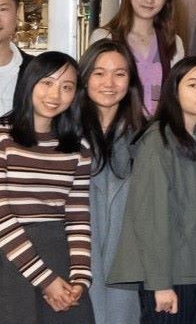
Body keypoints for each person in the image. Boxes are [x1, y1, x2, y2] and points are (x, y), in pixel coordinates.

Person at [0, 52, 94, 323]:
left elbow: (78, 216)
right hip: (10, 259)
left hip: (62, 258)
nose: (55, 94)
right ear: (29, 83)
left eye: (67, 87)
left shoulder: (78, 148)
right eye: (47, 83)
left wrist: (81, 277)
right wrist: (45, 279)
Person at [111, 57, 196, 324]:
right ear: (174, 92)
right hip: (171, 276)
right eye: (193, 84)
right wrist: (161, 284)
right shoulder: (159, 141)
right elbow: (151, 219)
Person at [81, 39, 144, 324]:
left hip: (126, 265)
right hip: (76, 262)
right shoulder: (64, 132)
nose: (109, 82)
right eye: (99, 73)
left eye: (120, 73)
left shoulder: (146, 136)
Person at [90, 0, 184, 116]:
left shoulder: (173, 41)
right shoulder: (105, 37)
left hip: (157, 132)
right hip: (117, 132)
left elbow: (177, 93)